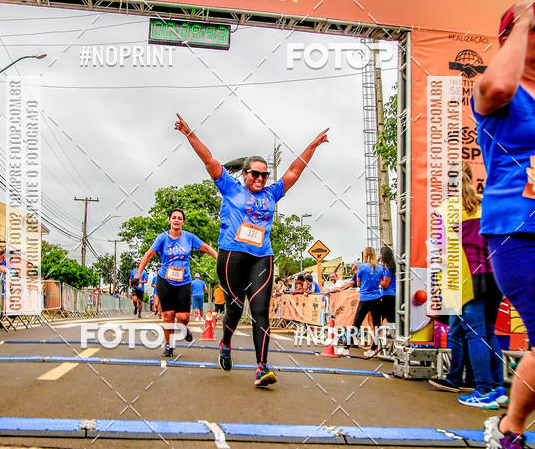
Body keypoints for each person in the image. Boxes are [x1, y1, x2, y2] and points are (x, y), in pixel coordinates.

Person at [175, 112, 328, 387]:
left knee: (260, 312)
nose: (260, 178)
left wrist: (313, 146)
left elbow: (294, 171)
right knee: (234, 309)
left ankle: (261, 367)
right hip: (232, 256)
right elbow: (209, 160)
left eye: (264, 174)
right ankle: (225, 344)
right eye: (255, 173)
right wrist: (189, 134)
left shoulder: (271, 193)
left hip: (261, 258)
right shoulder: (230, 187)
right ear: (245, 174)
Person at [472, 0, 535, 449]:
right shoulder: (500, 91)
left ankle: (511, 428)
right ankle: (510, 428)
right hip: (517, 229)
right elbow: (496, 85)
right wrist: (524, 19)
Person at [428, 165, 504, 404]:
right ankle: (498, 388)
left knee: (475, 334)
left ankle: (483, 391)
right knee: (489, 332)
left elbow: (442, 253)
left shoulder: (444, 210)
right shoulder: (486, 204)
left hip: (467, 278)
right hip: (495, 276)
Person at [133, 209, 217, 357]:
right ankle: (168, 345)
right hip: (165, 281)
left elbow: (206, 248)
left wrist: (220, 259)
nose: (176, 220)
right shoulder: (162, 238)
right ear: (169, 220)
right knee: (168, 316)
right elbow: (149, 255)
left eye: (179, 218)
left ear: (183, 222)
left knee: (183, 318)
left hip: (184, 283)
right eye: (174, 218)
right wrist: (139, 273)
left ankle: (183, 328)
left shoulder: (189, 237)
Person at [339, 247, 383, 357]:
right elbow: (381, 282)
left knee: (357, 323)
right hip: (377, 297)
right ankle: (373, 348)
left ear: (365, 255)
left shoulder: (362, 267)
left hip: (365, 298)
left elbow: (358, 283)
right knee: (377, 324)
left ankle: (346, 347)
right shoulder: (380, 268)